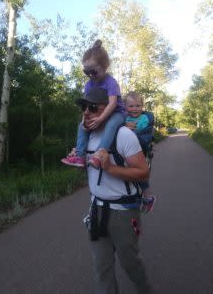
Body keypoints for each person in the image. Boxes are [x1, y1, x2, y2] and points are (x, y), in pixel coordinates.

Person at [71, 87, 152, 294]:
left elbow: (143, 172)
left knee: (130, 264)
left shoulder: (124, 134)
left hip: (124, 211)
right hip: (97, 209)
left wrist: (110, 168)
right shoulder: (87, 136)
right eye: (83, 107)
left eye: (92, 107)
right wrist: (79, 157)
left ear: (107, 109)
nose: (86, 112)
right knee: (102, 268)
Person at [61, 39, 126, 169]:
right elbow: (86, 105)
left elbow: (112, 104)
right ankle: (80, 156)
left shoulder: (110, 82)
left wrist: (100, 119)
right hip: (98, 111)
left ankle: (99, 154)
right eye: (86, 72)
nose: (90, 75)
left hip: (116, 113)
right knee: (81, 126)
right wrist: (85, 121)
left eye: (94, 71)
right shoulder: (88, 85)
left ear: (105, 66)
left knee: (111, 125)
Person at [124, 91, 155, 213]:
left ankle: (148, 196)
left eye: (138, 106)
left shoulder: (144, 119)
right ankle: (134, 196)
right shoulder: (124, 118)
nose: (135, 109)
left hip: (140, 151)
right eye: (131, 106)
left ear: (142, 106)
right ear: (125, 107)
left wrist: (128, 130)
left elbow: (143, 134)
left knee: (140, 174)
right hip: (127, 151)